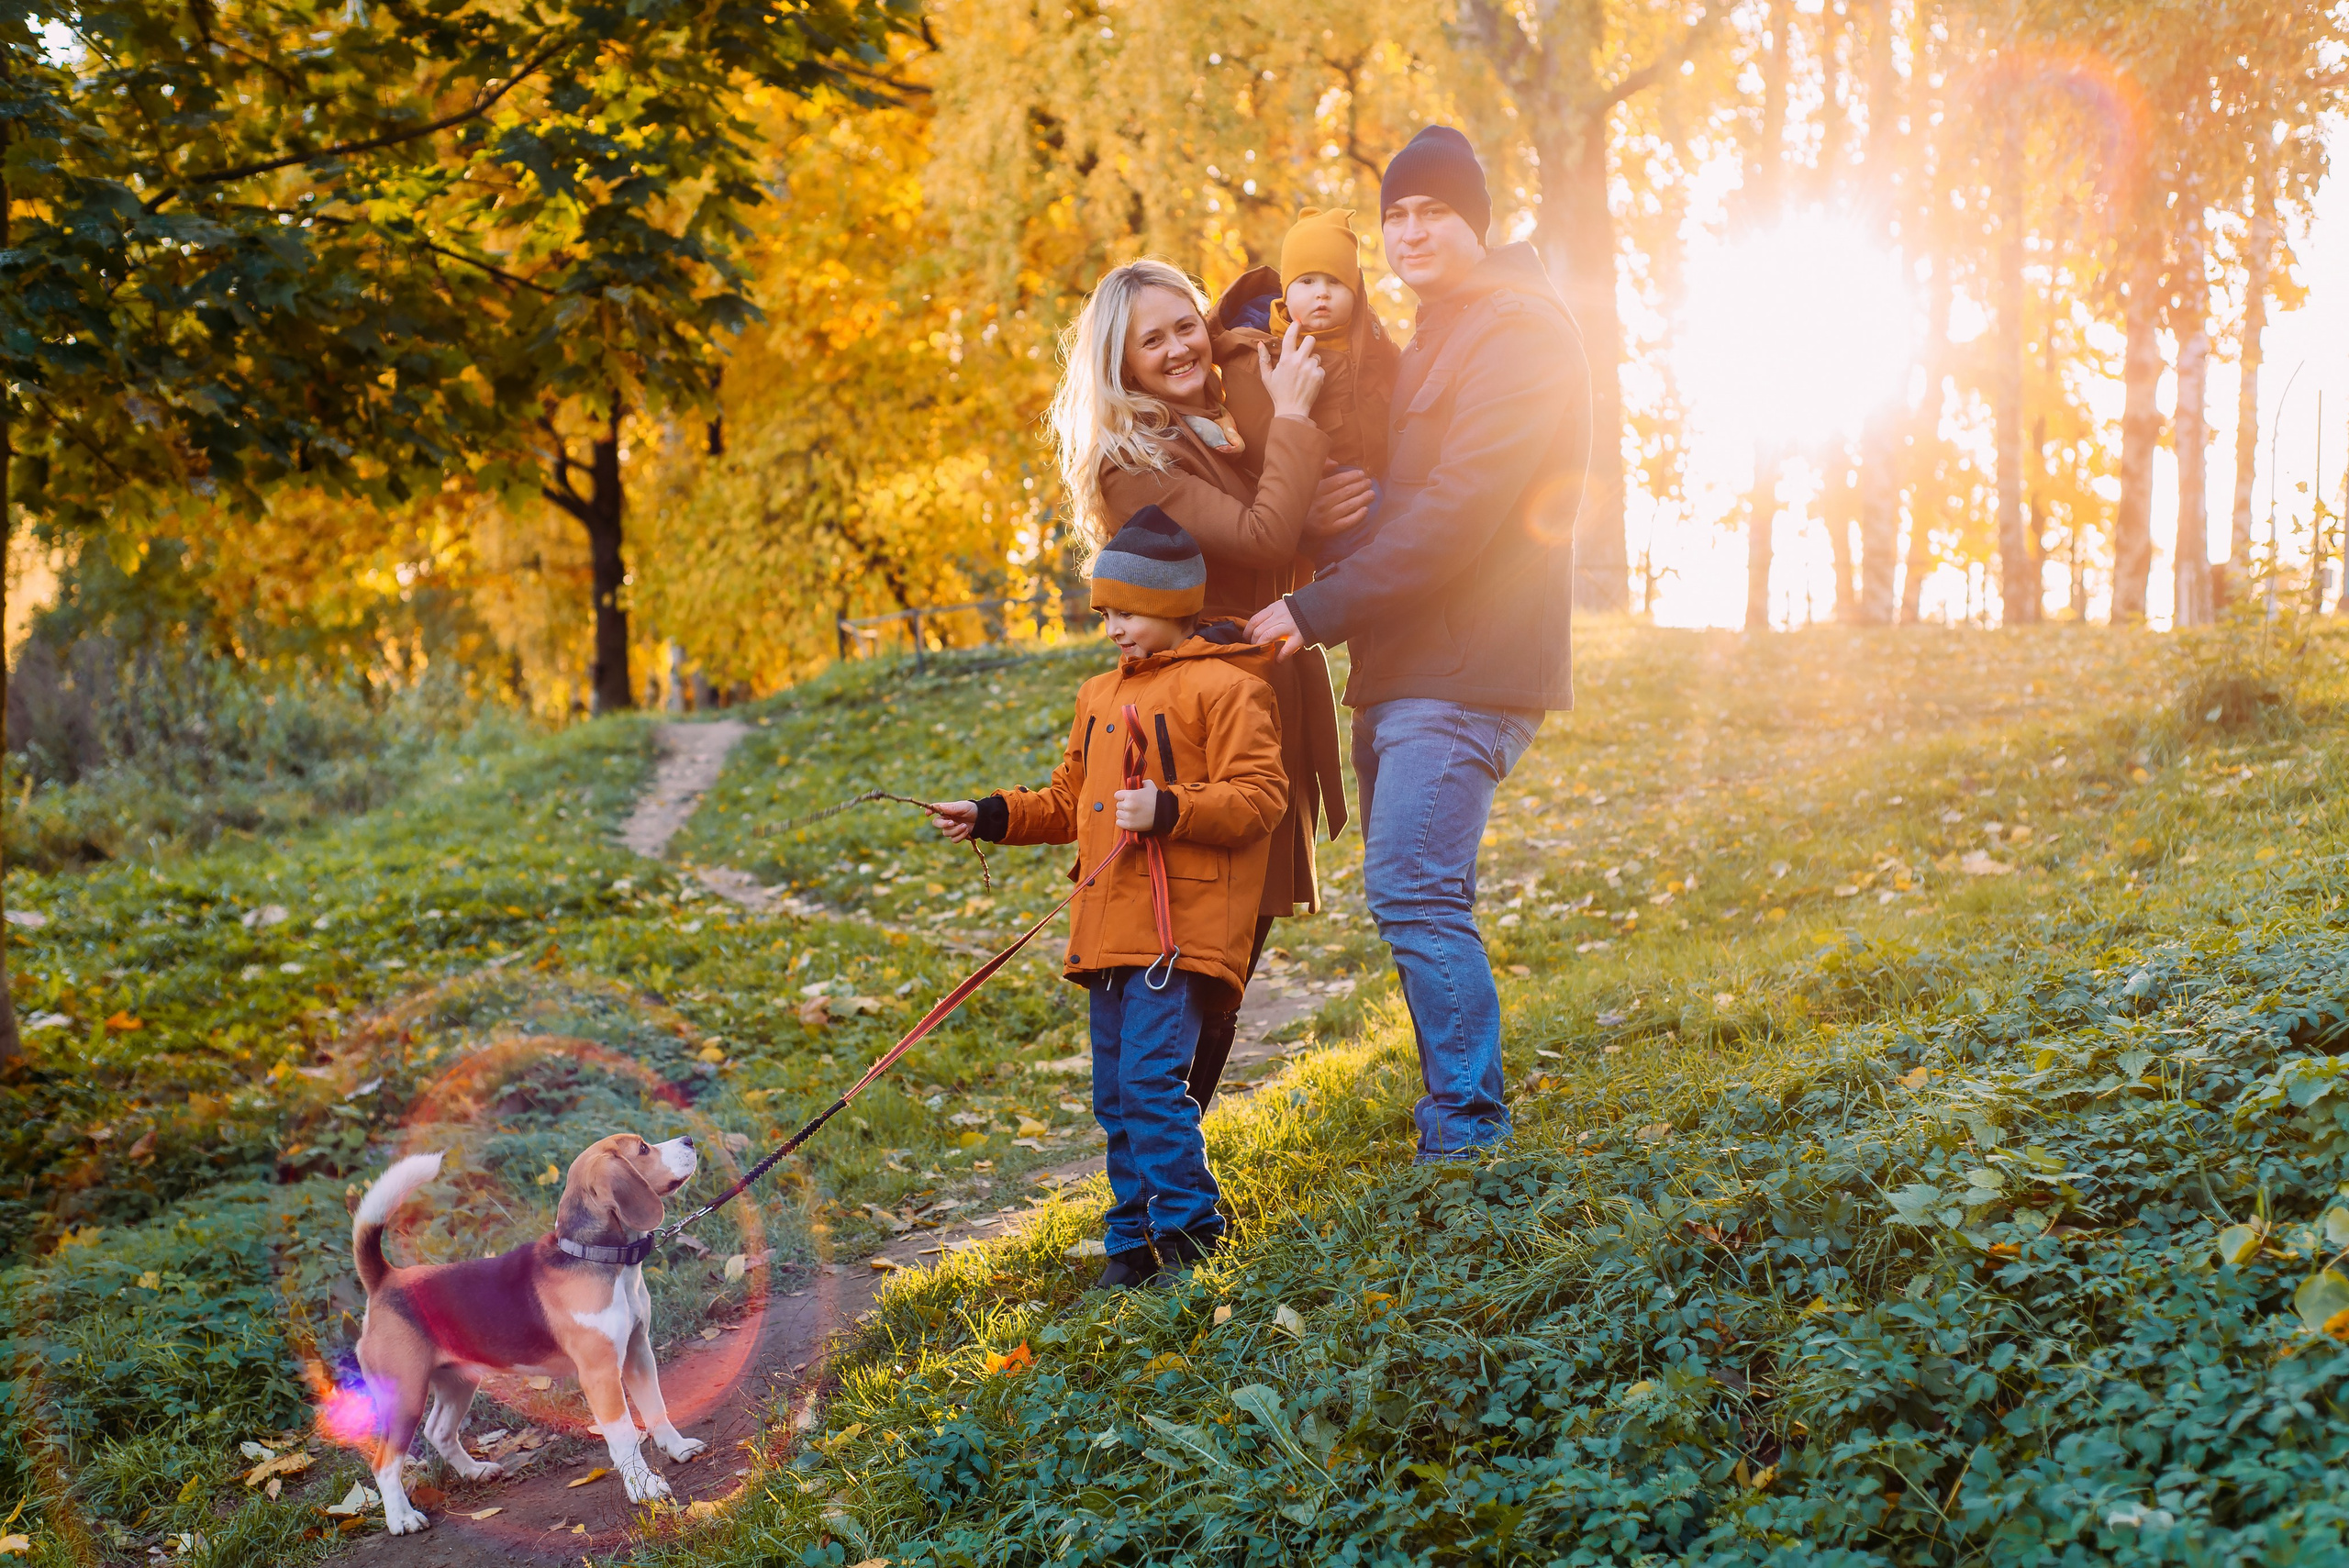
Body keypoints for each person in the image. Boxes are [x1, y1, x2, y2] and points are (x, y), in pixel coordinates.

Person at [1247, 125, 1592, 1162]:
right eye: (1394, 216)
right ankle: (1459, 1106)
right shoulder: (1441, 329)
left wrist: (1315, 609)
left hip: (1467, 661)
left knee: (1409, 886)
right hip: (1412, 662)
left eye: (1432, 211)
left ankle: (1466, 1136)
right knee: (1425, 887)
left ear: (1475, 221)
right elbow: (1416, 489)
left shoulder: (1518, 330)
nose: (1410, 231)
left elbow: (1464, 509)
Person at [929, 509, 1287, 1286]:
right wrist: (990, 813)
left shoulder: (1228, 686)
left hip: (1175, 928)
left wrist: (1170, 808)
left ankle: (1193, 1237)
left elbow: (1261, 797)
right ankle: (1130, 1241)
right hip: (1105, 927)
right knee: (1115, 1094)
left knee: (1153, 1083)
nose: (1111, 628)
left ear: (1171, 603)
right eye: (1104, 614)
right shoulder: (1097, 694)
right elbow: (1066, 801)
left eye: (1123, 611)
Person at [1047, 259, 1371, 1112]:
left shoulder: (1220, 424)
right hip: (1200, 723)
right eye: (1149, 339)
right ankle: (1158, 1163)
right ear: (1119, 363)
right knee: (1197, 955)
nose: (1178, 347)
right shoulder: (1136, 461)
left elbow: (1274, 530)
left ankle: (1170, 1155)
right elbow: (1264, 537)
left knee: (1234, 957)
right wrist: (1295, 427)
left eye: (1185, 324)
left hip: (1264, 703)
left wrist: (1243, 350)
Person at [1208, 207, 1402, 478]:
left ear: (1355, 293)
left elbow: (1401, 382)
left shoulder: (1371, 335)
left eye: (1335, 281)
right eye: (1307, 281)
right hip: (1309, 483)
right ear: (1286, 292)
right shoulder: (1257, 350)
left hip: (1384, 469)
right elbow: (1252, 443)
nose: (1321, 293)